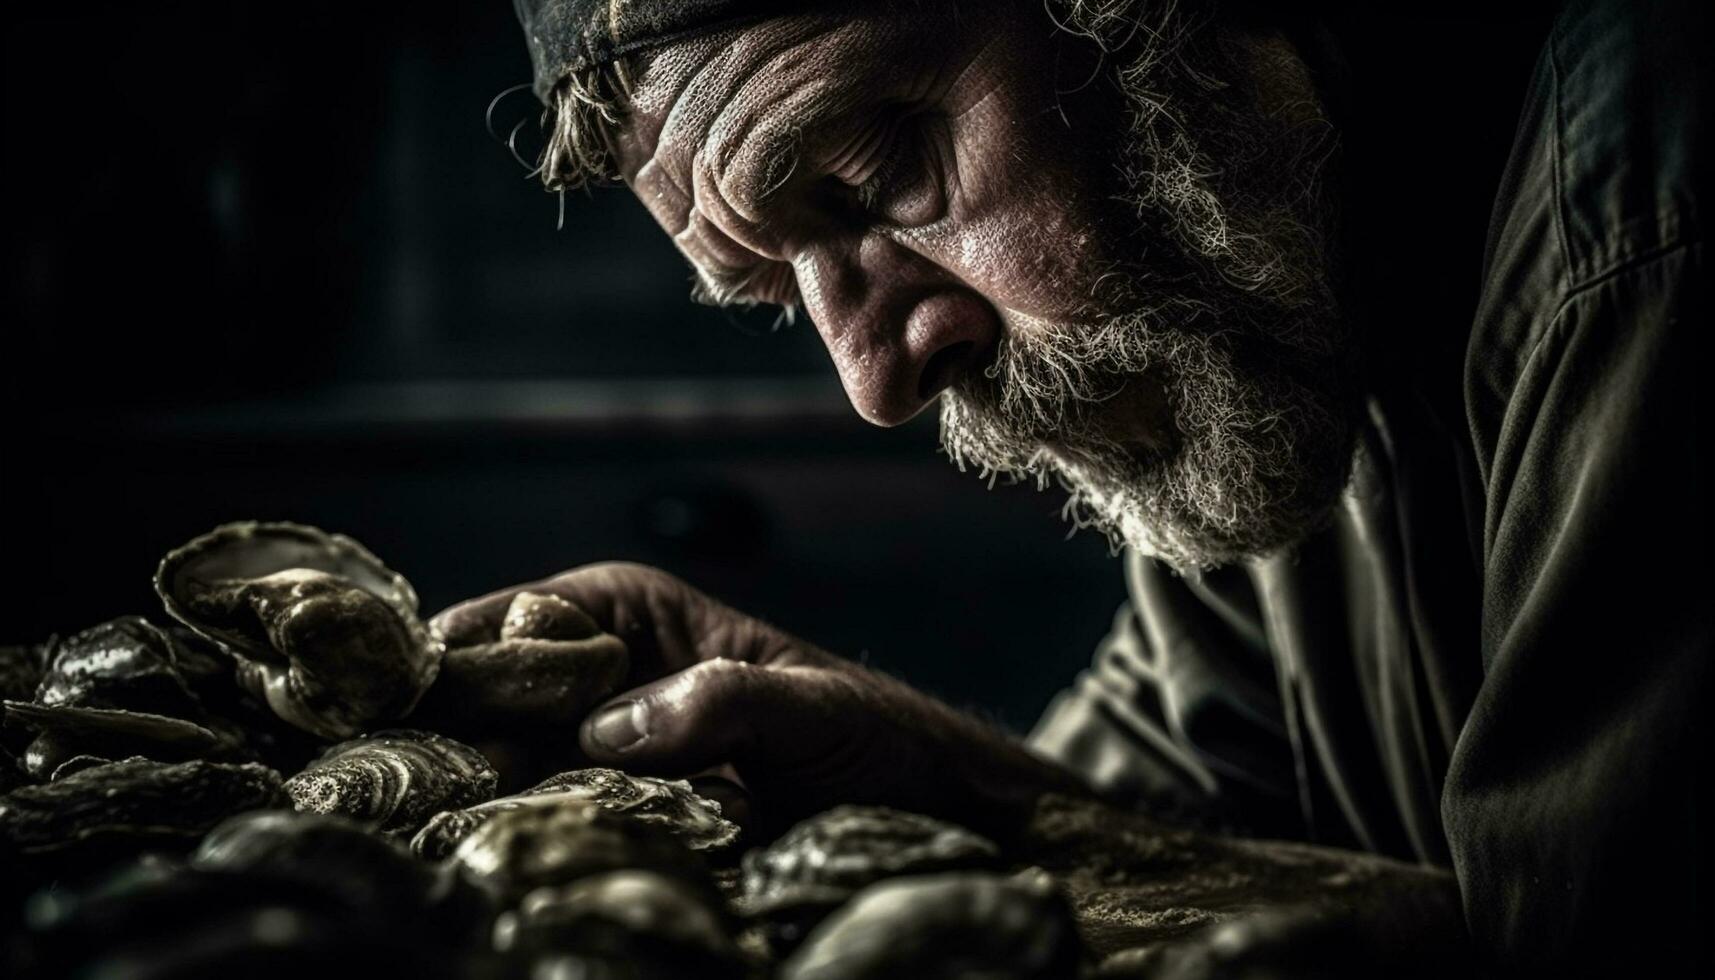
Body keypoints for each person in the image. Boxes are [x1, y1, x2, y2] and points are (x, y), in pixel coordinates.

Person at [436, 0, 1709, 973]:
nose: (874, 378)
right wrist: (901, 763)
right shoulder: (1260, 332)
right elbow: (1175, 831)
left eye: (882, 174)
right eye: (778, 290)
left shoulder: (1644, 236)